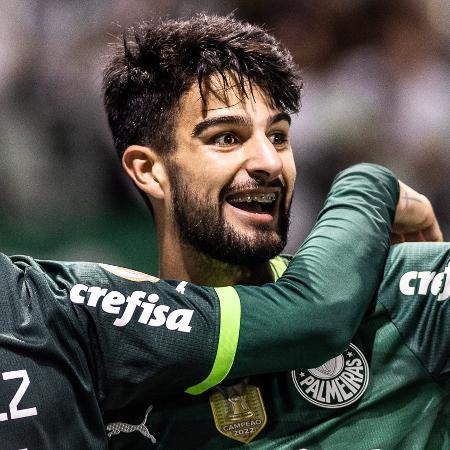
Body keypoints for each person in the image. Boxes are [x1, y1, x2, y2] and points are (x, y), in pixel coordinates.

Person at [0, 14, 441, 450]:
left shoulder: (399, 294)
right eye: (226, 138)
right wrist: (366, 185)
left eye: (280, 136)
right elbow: (314, 313)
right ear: (148, 170)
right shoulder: (95, 363)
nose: (268, 162)